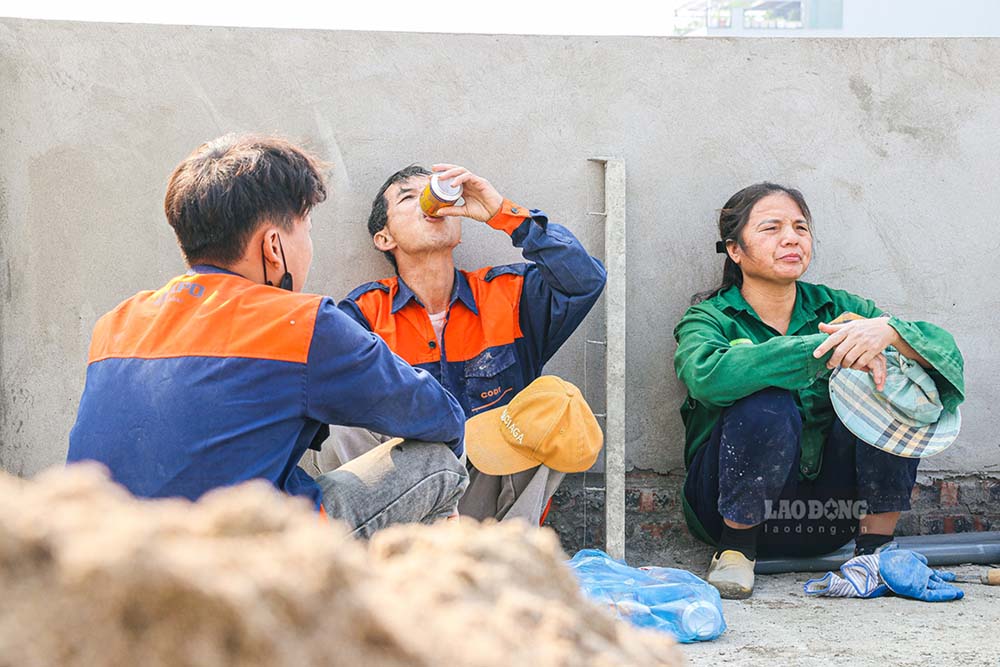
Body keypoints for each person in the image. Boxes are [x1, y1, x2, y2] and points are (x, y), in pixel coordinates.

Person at [68, 135, 469, 537]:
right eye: (306, 230)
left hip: (109, 559)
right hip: (241, 567)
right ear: (274, 247)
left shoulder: (116, 323)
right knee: (435, 461)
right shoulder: (300, 323)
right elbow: (441, 418)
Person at [673, 182, 964, 599]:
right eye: (771, 228)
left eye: (800, 227)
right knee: (766, 399)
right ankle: (736, 553)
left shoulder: (838, 309)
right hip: (724, 511)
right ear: (735, 250)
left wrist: (889, 333)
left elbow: (945, 356)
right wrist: (820, 349)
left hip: (829, 516)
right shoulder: (710, 318)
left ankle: (875, 551)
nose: (791, 237)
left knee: (891, 386)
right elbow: (706, 375)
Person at [301, 163, 607, 524]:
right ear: (385, 238)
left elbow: (584, 280)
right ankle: (383, 561)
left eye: (431, 192)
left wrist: (504, 215)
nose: (429, 204)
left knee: (558, 405)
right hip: (402, 502)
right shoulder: (365, 313)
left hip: (485, 499)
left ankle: (508, 562)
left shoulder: (507, 294)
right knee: (339, 418)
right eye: (407, 198)